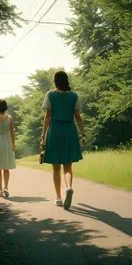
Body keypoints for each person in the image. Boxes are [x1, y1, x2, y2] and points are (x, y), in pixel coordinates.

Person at [41, 71, 86, 210]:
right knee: (68, 166)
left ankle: (58, 198)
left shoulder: (50, 94)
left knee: (56, 168)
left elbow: (47, 117)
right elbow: (77, 116)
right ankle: (69, 187)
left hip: (55, 130)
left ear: (55, 81)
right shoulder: (73, 95)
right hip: (70, 131)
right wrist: (83, 134)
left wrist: (43, 137)